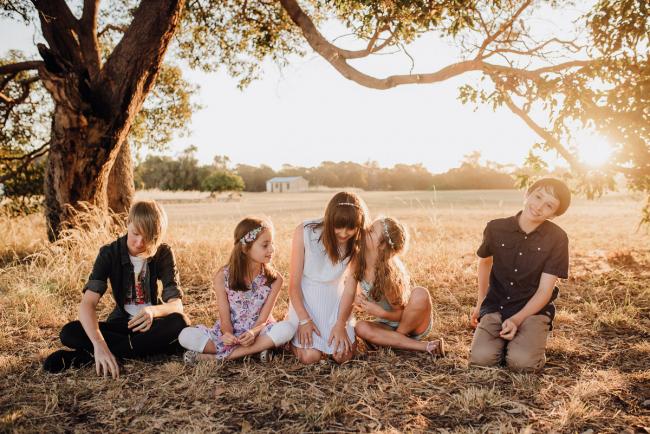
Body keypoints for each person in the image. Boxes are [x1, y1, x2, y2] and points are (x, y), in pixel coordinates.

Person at [43, 200, 188, 378]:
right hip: (121, 325)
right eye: (135, 233)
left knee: (180, 322)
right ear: (128, 223)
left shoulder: (163, 252)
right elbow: (87, 304)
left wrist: (153, 311)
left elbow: (176, 305)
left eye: (148, 237)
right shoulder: (109, 253)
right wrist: (99, 345)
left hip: (150, 326)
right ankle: (156, 350)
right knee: (69, 332)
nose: (139, 242)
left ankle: (84, 357)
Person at [469, 178, 571, 371]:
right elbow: (485, 262)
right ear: (527, 194)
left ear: (555, 214)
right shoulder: (495, 228)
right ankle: (510, 341)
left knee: (522, 364)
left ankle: (526, 342)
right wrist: (481, 302)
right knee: (481, 360)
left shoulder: (557, 238)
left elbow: (544, 291)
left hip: (533, 310)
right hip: (496, 305)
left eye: (549, 205)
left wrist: (516, 320)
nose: (539, 206)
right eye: (538, 196)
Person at [178, 217, 293, 363]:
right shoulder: (223, 276)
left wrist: (253, 332)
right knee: (185, 335)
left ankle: (218, 358)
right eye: (265, 245)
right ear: (245, 249)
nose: (271, 249)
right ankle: (255, 352)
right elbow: (224, 317)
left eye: (272, 243)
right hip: (232, 335)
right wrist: (227, 334)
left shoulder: (275, 279)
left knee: (287, 328)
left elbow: (264, 319)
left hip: (259, 332)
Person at [286, 191, 369, 364]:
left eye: (351, 228)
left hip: (336, 300)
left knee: (343, 357)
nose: (344, 233)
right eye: (338, 226)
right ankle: (289, 341)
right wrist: (304, 319)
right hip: (305, 299)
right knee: (310, 357)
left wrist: (341, 323)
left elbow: (349, 289)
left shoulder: (357, 242)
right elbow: (293, 285)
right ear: (329, 219)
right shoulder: (305, 231)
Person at [354, 217, 445, 356]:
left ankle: (422, 346)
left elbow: (401, 314)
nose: (366, 230)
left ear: (382, 245)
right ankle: (396, 343)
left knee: (420, 293)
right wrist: (358, 300)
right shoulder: (360, 262)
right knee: (360, 327)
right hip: (387, 326)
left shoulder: (388, 275)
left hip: (411, 324)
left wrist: (379, 313)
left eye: (372, 230)